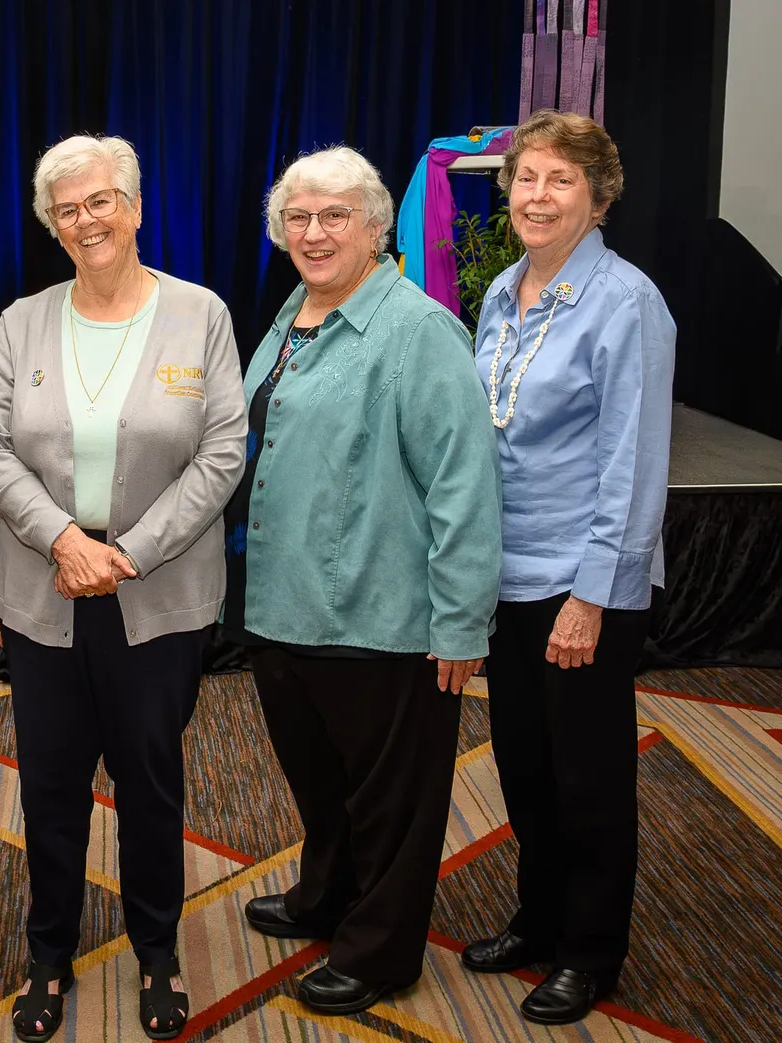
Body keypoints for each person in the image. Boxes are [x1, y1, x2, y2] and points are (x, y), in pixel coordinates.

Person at [0, 134, 246, 1042]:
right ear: (52, 225)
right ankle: (48, 955)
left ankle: (157, 950)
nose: (86, 220)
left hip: (154, 594)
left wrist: (124, 551)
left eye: (101, 201)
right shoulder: (20, 321)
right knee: (48, 786)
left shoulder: (200, 313)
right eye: (68, 208)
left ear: (135, 206)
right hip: (44, 594)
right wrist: (60, 537)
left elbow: (222, 454)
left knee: (151, 781)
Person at [229, 146, 502, 1015]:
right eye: (298, 217)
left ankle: (383, 950)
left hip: (382, 618)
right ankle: (326, 897)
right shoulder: (295, 312)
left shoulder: (418, 330)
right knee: (322, 781)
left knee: (392, 801)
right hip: (285, 604)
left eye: (334, 215)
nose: (314, 232)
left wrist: (461, 623)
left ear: (378, 226)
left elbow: (465, 486)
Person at [460, 110, 675, 1026]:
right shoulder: (502, 291)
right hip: (505, 576)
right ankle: (537, 918)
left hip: (581, 585)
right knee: (523, 765)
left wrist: (593, 595)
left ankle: (591, 950)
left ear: (599, 196)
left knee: (587, 778)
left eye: (560, 180)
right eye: (525, 178)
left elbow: (633, 462)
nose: (537, 196)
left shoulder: (627, 302)